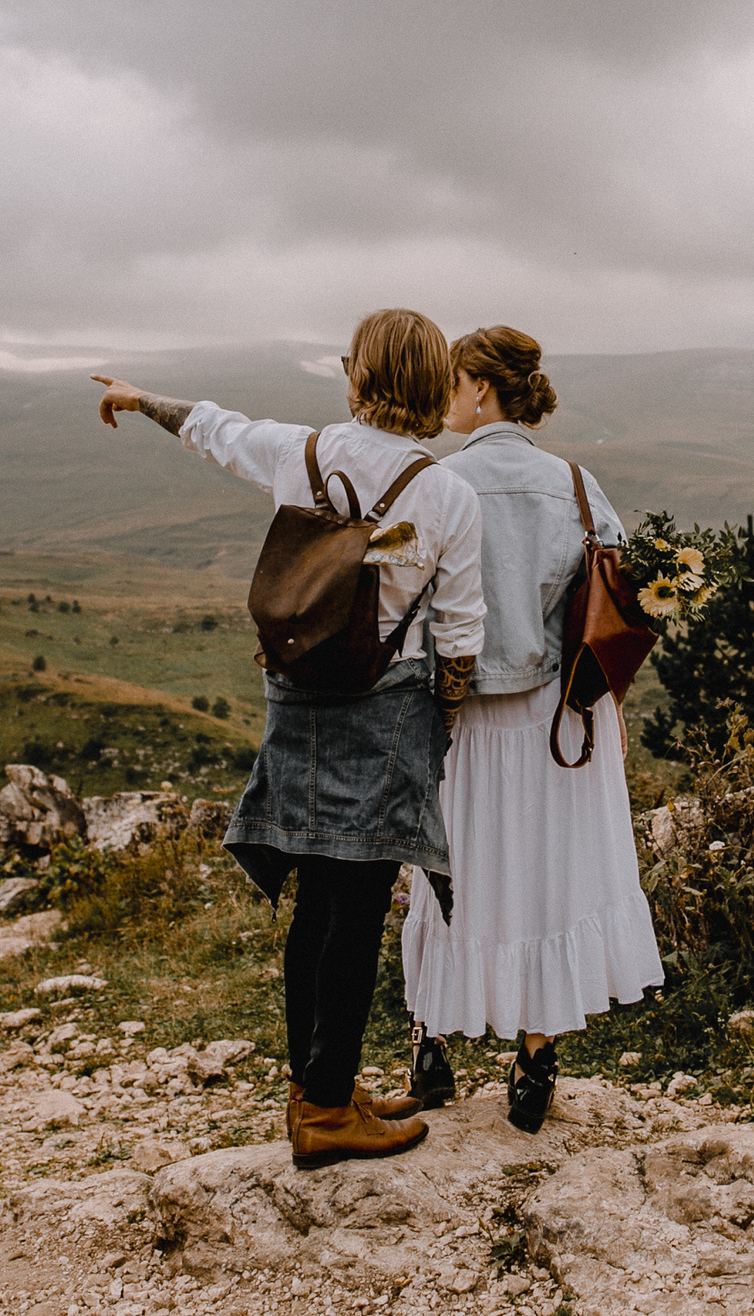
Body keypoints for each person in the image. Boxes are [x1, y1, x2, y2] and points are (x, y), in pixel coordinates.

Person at [91, 308, 483, 1169]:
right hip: (385, 716)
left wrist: (137, 396)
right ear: (430, 384)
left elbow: (213, 429)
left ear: (359, 375)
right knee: (356, 905)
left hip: (296, 706)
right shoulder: (448, 493)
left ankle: (318, 1089)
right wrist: (440, 729)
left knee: (315, 901)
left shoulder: (301, 454)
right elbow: (459, 636)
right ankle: (329, 1107)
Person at [400, 325, 663, 1132]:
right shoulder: (577, 487)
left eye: (453, 382)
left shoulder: (438, 484)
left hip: (463, 723)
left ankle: (429, 1043)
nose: (445, 398)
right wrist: (608, 704)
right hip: (559, 723)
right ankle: (536, 1052)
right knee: (548, 880)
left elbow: (407, 608)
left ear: (482, 388)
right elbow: (619, 604)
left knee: (449, 880)